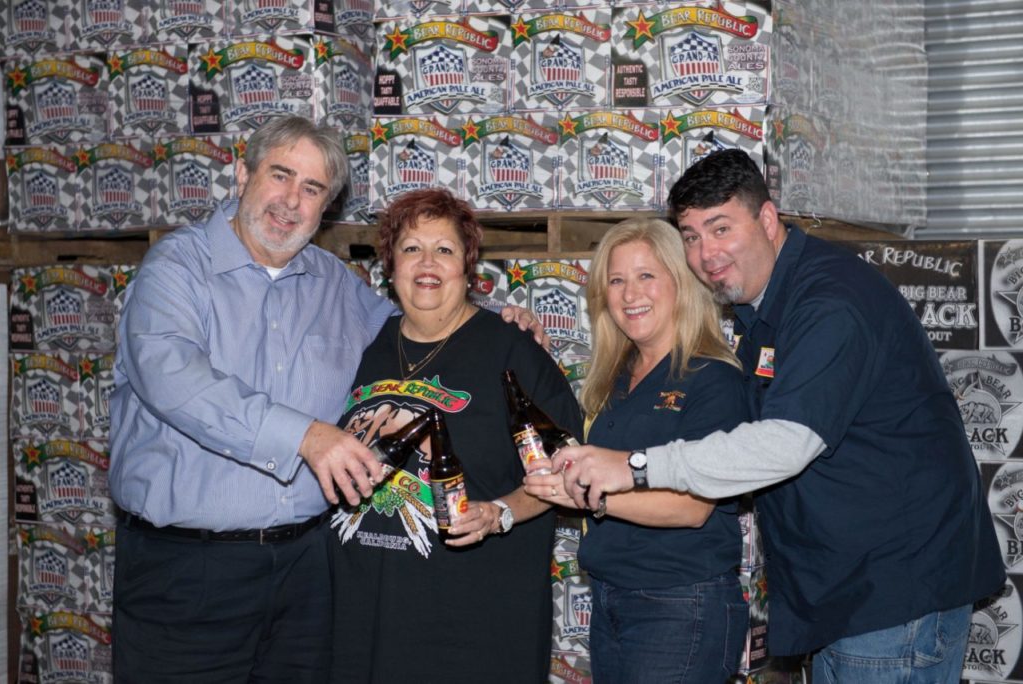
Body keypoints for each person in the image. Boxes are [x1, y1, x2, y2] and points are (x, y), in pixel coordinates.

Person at [541, 149, 1005, 683]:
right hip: (844, 590)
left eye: (720, 228)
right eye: (691, 236)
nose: (706, 253)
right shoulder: (763, 310)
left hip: (894, 589)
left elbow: (786, 442)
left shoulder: (829, 301)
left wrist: (635, 466)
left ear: (766, 218)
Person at [109, 115, 543, 683]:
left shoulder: (334, 284)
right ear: (242, 174)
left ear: (327, 206)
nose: (291, 200)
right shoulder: (176, 270)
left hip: (307, 573)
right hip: (189, 570)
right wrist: (307, 438)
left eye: (312, 189)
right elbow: (176, 380)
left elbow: (417, 318)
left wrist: (498, 321)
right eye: (280, 175)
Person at [328, 187, 582, 683]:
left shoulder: (512, 351)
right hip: (367, 619)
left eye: (444, 250)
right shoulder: (364, 346)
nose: (427, 263)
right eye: (411, 249)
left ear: (468, 267)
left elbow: (568, 470)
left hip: (473, 623)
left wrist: (499, 513)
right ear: (389, 266)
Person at [525, 217, 750, 683]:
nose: (631, 294)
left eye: (647, 275)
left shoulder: (714, 380)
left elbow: (691, 507)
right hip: (612, 597)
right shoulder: (613, 380)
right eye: (617, 280)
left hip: (680, 601)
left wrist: (593, 498)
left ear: (681, 282)